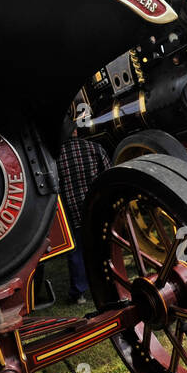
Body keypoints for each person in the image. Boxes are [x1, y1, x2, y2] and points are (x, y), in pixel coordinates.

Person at [56, 117, 112, 303]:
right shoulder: (94, 148)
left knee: (77, 252)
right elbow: (109, 174)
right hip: (97, 206)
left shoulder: (56, 157)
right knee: (104, 245)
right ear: (75, 131)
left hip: (71, 212)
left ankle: (79, 293)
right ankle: (110, 280)